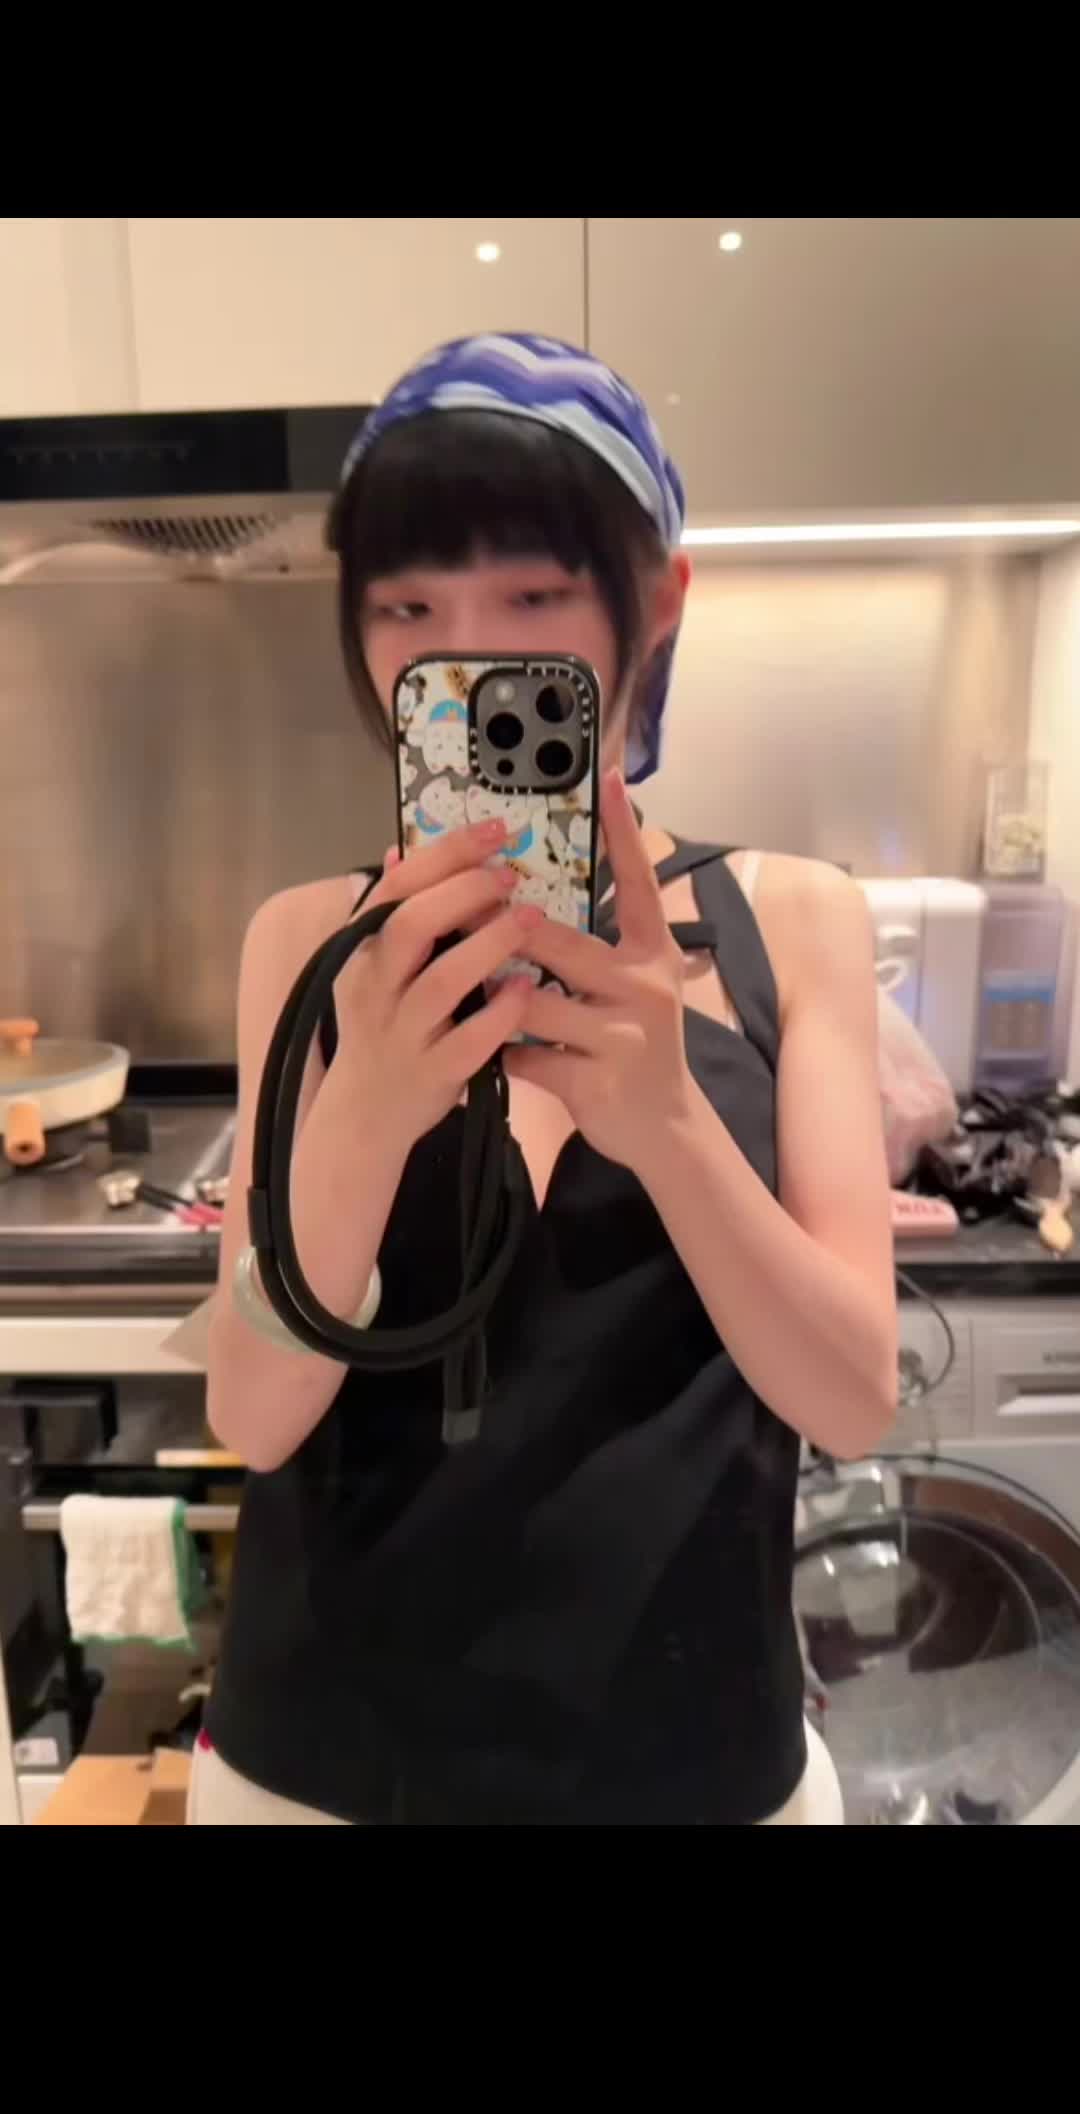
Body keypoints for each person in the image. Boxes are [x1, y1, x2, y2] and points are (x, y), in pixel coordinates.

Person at [191, 334, 897, 1826]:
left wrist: (675, 1128)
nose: (462, 654)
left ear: (658, 602)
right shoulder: (305, 943)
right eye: (406, 606)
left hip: (697, 1771)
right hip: (325, 1777)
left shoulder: (797, 922)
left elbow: (852, 1397)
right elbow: (252, 1413)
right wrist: (367, 1110)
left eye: (531, 596)